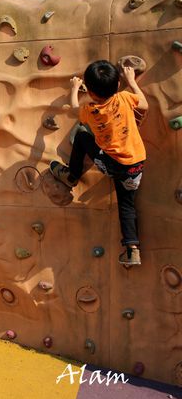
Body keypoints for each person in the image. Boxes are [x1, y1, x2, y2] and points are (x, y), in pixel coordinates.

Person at [49, 60, 148, 267]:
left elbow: (73, 111)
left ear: (91, 93)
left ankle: (72, 175)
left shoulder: (90, 110)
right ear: (118, 85)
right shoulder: (125, 97)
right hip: (136, 166)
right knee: (126, 205)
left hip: (113, 166)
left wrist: (74, 89)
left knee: (84, 136)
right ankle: (132, 249)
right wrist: (133, 82)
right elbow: (144, 104)